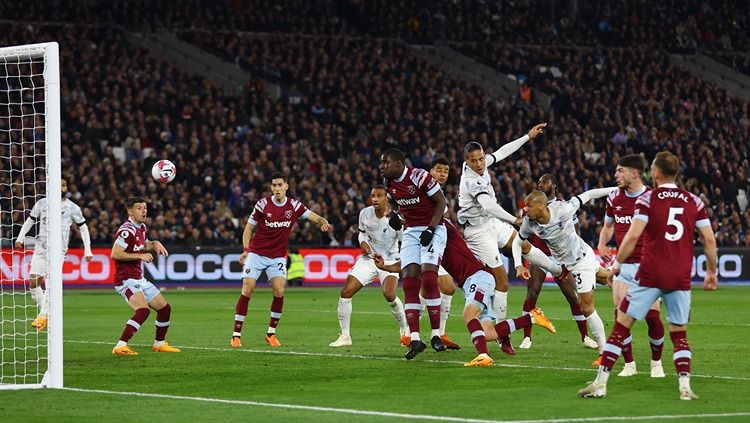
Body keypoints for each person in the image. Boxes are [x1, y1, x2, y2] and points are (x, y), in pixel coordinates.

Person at [579, 151, 718, 400]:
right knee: (680, 333)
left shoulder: (648, 200)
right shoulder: (694, 201)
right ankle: (685, 388)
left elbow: (632, 236)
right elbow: (708, 239)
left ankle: (600, 383)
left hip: (650, 272)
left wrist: (616, 264)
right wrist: (711, 272)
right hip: (680, 277)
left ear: (654, 173)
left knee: (621, 326)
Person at [375, 219, 556, 367]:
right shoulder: (431, 246)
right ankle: (532, 317)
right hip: (473, 281)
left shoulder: (442, 228)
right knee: (488, 333)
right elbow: (410, 263)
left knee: (468, 314)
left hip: (479, 278)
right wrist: (385, 266)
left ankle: (483, 355)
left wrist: (407, 218)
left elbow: (429, 219)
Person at [458, 123, 568, 355]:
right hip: (477, 231)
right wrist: (515, 220)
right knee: (502, 280)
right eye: (474, 161)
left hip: (490, 222)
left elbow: (501, 152)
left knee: (524, 244)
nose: (479, 164)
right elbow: (488, 204)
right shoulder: (471, 180)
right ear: (466, 161)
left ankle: (557, 269)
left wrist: (527, 137)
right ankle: (503, 337)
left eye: (481, 159)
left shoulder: (482, 163)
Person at [515, 186, 617, 360]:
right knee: (608, 279)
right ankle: (640, 287)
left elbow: (590, 194)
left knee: (585, 306)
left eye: (529, 205)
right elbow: (518, 242)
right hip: (565, 263)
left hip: (581, 261)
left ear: (541, 205)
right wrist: (518, 265)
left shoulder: (564, 209)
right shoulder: (528, 223)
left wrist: (617, 189)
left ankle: (603, 352)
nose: (525, 209)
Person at [231, 173, 332, 348]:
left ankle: (271, 334)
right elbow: (248, 229)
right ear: (271, 188)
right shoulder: (263, 204)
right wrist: (246, 250)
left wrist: (323, 222)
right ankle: (236, 335)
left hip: (277, 256)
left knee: (279, 291)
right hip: (256, 253)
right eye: (274, 185)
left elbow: (314, 216)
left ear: (286, 187)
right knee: (248, 288)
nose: (276, 188)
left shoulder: (294, 205)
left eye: (279, 185)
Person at [598, 155, 666, 378]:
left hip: (647, 266)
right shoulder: (613, 197)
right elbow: (608, 226)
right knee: (620, 316)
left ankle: (656, 363)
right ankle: (630, 364)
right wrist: (602, 242)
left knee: (652, 317)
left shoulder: (652, 198)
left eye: (620, 171)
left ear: (634, 173)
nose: (616, 175)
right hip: (623, 266)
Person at [380, 148, 448, 359]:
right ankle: (416, 339)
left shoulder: (419, 176)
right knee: (409, 280)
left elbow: (441, 202)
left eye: (385, 163)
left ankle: (436, 334)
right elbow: (393, 200)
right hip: (410, 231)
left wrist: (430, 229)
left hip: (433, 228)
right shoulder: (389, 183)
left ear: (399, 164)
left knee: (428, 278)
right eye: (381, 163)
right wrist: (394, 214)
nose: (381, 167)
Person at [329, 185, 410, 348]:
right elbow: (362, 233)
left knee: (389, 295)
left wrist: (400, 262)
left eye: (379, 196)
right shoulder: (364, 213)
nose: (375, 199)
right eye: (373, 196)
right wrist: (364, 243)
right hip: (369, 258)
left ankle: (404, 330)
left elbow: (406, 242)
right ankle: (345, 336)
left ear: (386, 199)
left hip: (389, 259)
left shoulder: (395, 219)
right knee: (346, 291)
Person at [15, 179, 93, 331]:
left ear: (67, 188)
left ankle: (43, 315)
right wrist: (20, 237)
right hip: (41, 248)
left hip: (59, 251)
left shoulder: (72, 207)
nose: (61, 187)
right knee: (33, 283)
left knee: (51, 282)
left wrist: (87, 249)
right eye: (59, 185)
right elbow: (30, 221)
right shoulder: (42, 203)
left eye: (64, 185)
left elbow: (83, 228)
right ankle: (46, 312)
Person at [110, 197, 180, 355]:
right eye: (139, 208)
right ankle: (120, 346)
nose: (144, 211)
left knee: (164, 308)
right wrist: (139, 256)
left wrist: (154, 243)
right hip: (125, 280)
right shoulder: (126, 230)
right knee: (143, 310)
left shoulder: (141, 227)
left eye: (145, 208)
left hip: (139, 279)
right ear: (130, 211)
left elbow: (142, 245)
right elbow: (116, 253)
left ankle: (159, 344)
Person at [424, 157, 460, 349]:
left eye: (445, 171)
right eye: (438, 170)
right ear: (430, 171)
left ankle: (439, 334)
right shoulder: (424, 191)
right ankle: (410, 333)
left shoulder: (438, 193)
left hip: (435, 245)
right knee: (439, 287)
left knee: (445, 288)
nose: (442, 174)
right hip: (422, 244)